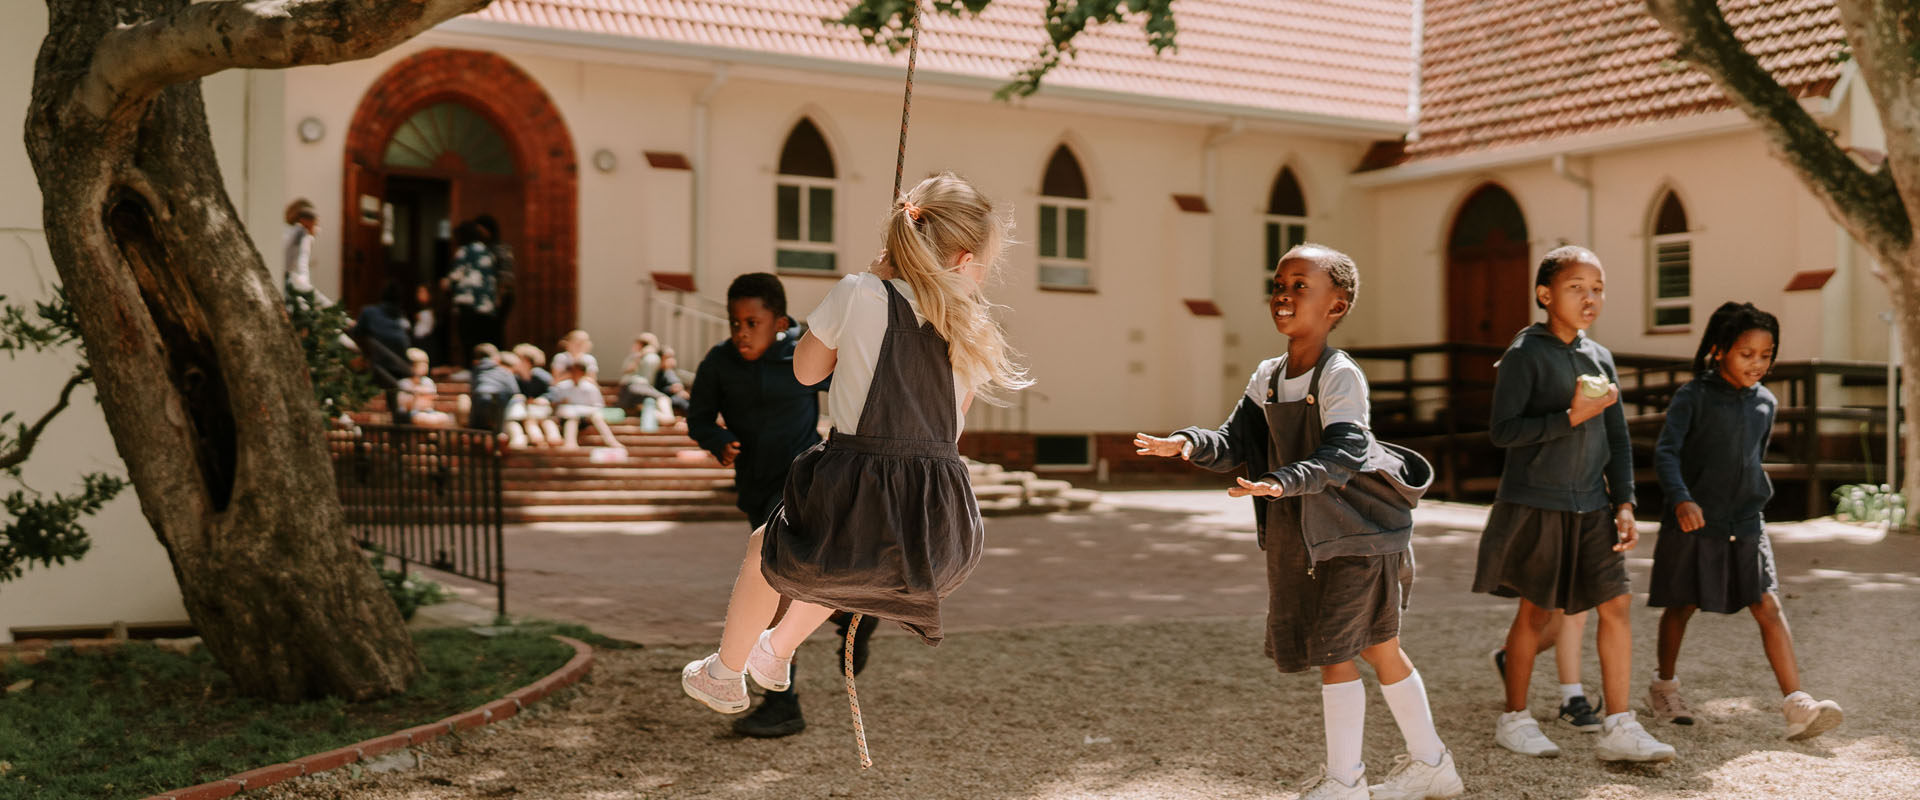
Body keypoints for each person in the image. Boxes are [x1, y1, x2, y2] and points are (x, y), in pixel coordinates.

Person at [680, 174, 1027, 740]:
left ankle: (726, 672)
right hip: (939, 526)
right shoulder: (971, 323)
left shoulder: (859, 291)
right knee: (851, 563)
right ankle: (777, 650)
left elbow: (806, 372)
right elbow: (953, 423)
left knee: (769, 550)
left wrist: (870, 288)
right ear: (965, 259)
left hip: (857, 474)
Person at [1135, 244, 1456, 800]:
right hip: (1316, 537)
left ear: (1337, 306)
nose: (1283, 295)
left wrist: (1282, 482)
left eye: (1300, 285)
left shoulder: (1341, 375)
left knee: (1342, 650)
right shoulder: (1268, 374)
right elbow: (1236, 440)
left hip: (1360, 533)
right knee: (1379, 647)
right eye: (1278, 284)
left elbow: (1344, 452)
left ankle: (1346, 781)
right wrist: (1186, 443)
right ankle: (1432, 765)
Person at [1470, 246, 1675, 763]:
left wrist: (1625, 502)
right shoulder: (1524, 354)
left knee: (1617, 605)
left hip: (1593, 507)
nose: (1590, 298)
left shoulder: (1600, 356)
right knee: (1536, 612)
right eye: (1576, 287)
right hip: (1535, 503)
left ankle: (1619, 724)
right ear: (1545, 295)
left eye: (1598, 288)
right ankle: (1514, 717)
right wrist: (1570, 416)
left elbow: (1619, 438)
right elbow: (1502, 431)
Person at [1647, 302, 1842, 740]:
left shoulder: (1766, 403)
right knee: (1682, 604)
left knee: (1767, 604)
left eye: (1766, 354)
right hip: (1695, 520)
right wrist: (1681, 499)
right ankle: (1664, 688)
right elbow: (1666, 452)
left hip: (1746, 521)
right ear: (1719, 351)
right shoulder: (1692, 396)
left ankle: (1797, 703)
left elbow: (1751, 459)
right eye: (1746, 353)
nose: (1758, 363)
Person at [686, 273, 868, 738]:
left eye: (752, 322)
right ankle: (849, 611)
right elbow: (699, 417)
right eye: (735, 323)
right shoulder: (719, 363)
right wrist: (718, 439)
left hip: (803, 480)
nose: (741, 332)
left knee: (777, 586)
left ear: (780, 323)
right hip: (756, 485)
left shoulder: (802, 356)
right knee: (789, 582)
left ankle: (781, 703)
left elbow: (856, 391)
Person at [444, 221, 500, 355]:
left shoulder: (465, 250)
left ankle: (469, 366)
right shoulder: (487, 251)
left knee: (468, 338)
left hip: (468, 302)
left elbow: (455, 276)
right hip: (487, 304)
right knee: (482, 339)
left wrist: (445, 283)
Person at [553, 362, 620, 450]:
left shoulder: (590, 387)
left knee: (597, 417)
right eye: (573, 371)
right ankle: (570, 444)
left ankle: (611, 441)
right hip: (568, 417)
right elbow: (555, 404)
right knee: (572, 419)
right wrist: (562, 403)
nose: (575, 374)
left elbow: (598, 405)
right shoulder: (562, 386)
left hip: (587, 417)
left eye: (578, 372)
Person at [459, 343, 519, 433]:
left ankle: (476, 436)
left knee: (478, 428)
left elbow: (474, 388)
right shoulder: (504, 371)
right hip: (500, 400)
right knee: (498, 428)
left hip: (480, 398)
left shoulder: (476, 370)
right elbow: (514, 390)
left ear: (475, 360)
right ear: (496, 358)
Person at [282, 199, 328, 307]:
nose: (317, 229)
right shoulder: (301, 235)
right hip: (293, 285)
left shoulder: (290, 232)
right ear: (305, 222)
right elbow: (301, 269)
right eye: (316, 224)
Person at [474, 213, 517, 330]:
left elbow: (506, 276)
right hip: (486, 297)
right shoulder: (480, 249)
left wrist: (500, 296)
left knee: (495, 330)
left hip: (500, 296)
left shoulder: (500, 248)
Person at [397, 348, 453, 427]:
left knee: (445, 418)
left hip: (428, 411)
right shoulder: (404, 383)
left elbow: (432, 398)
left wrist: (420, 394)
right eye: (420, 364)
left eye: (425, 364)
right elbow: (405, 406)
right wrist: (417, 395)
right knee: (424, 418)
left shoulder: (428, 381)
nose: (424, 367)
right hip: (411, 413)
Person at [654, 346, 692, 418]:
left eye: (672, 357)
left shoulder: (675, 372)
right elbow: (657, 389)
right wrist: (671, 389)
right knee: (681, 401)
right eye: (667, 358)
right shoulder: (660, 373)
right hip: (670, 398)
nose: (671, 360)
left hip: (680, 396)